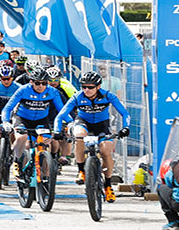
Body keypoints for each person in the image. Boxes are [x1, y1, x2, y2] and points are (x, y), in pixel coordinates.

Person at [53, 71, 131, 203]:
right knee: (79, 136)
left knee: (106, 151)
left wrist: (125, 128)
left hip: (102, 125)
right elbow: (60, 116)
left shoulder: (108, 95)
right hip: (83, 123)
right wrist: (56, 131)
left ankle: (108, 185)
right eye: (84, 87)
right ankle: (81, 170)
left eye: (90, 87)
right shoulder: (77, 97)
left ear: (98, 87)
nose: (86, 90)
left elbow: (125, 113)